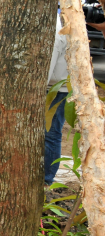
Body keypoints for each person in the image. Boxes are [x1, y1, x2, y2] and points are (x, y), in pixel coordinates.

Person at [45, 13, 68, 185]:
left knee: (52, 134)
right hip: (61, 85)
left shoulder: (55, 31)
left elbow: (48, 66)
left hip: (56, 88)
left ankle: (46, 179)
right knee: (53, 132)